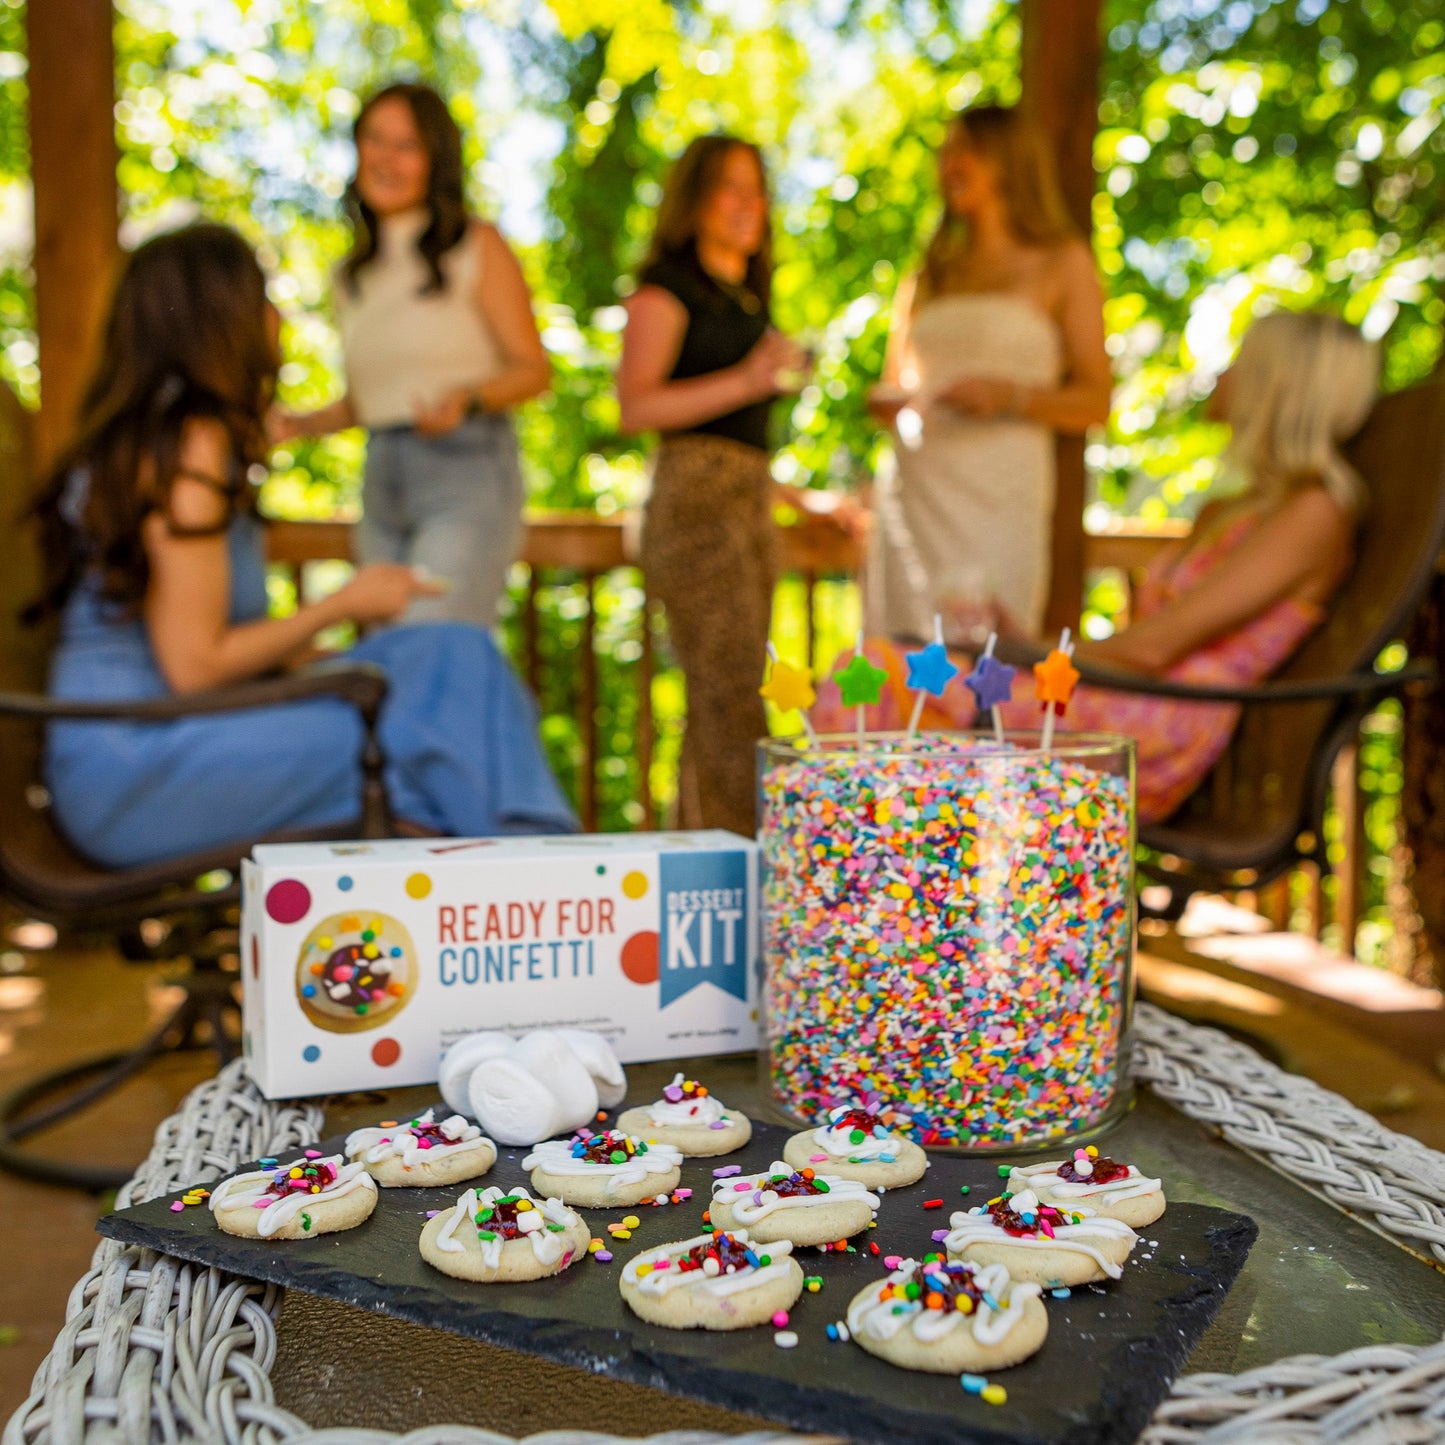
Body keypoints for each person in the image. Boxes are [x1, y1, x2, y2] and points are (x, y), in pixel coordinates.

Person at [29, 223, 575, 870]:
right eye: (262, 297)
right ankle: (554, 893)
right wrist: (343, 603)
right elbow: (194, 667)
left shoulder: (172, 437)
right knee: (429, 731)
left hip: (172, 738)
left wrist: (343, 652)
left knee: (451, 654)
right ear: (219, 319)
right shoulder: (187, 445)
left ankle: (546, 886)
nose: (276, 315)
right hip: (140, 770)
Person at [816, 311, 1379, 824]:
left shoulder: (1313, 513)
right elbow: (1141, 648)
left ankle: (836, 877)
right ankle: (889, 879)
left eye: (1241, 361)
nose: (1222, 374)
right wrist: (1019, 645)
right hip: (1120, 697)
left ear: (1274, 384)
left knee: (877, 672)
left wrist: (1028, 651)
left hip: (1155, 727)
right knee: (892, 677)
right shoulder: (1231, 509)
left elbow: (1152, 651)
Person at [273, 82, 551, 627]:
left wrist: (465, 401)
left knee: (436, 643)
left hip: (465, 468)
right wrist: (297, 424)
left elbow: (533, 371)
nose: (386, 158)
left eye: (407, 145)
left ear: (435, 160)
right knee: (391, 660)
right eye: (375, 139)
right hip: (382, 475)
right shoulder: (350, 275)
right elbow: (367, 402)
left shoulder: (476, 244)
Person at [619, 133, 827, 836]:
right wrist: (747, 378)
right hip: (693, 509)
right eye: (728, 188)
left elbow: (741, 443)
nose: (747, 205)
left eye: (755, 188)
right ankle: (750, 866)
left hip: (747, 508)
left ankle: (702, 867)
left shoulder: (750, 302)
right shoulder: (665, 290)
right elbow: (636, 407)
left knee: (725, 699)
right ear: (695, 199)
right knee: (730, 698)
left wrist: (802, 501)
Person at [867, 104, 1112, 640]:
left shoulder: (1063, 262)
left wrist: (1009, 396)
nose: (949, 164)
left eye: (965, 151)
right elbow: (896, 382)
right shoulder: (928, 274)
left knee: (987, 665)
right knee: (904, 669)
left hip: (1002, 497)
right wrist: (891, 402)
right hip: (915, 497)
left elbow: (1097, 402)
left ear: (1007, 162)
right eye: (945, 152)